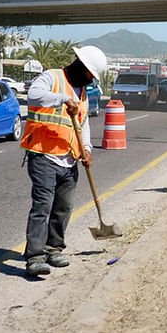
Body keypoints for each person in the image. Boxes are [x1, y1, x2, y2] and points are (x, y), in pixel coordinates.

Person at [20, 45, 108, 278]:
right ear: (81, 66)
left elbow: (83, 124)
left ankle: (54, 248)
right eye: (90, 75)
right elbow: (33, 95)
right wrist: (62, 99)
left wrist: (87, 149)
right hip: (44, 156)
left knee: (63, 208)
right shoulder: (52, 77)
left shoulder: (82, 93)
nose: (90, 81)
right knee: (42, 207)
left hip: (69, 160)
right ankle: (35, 257)